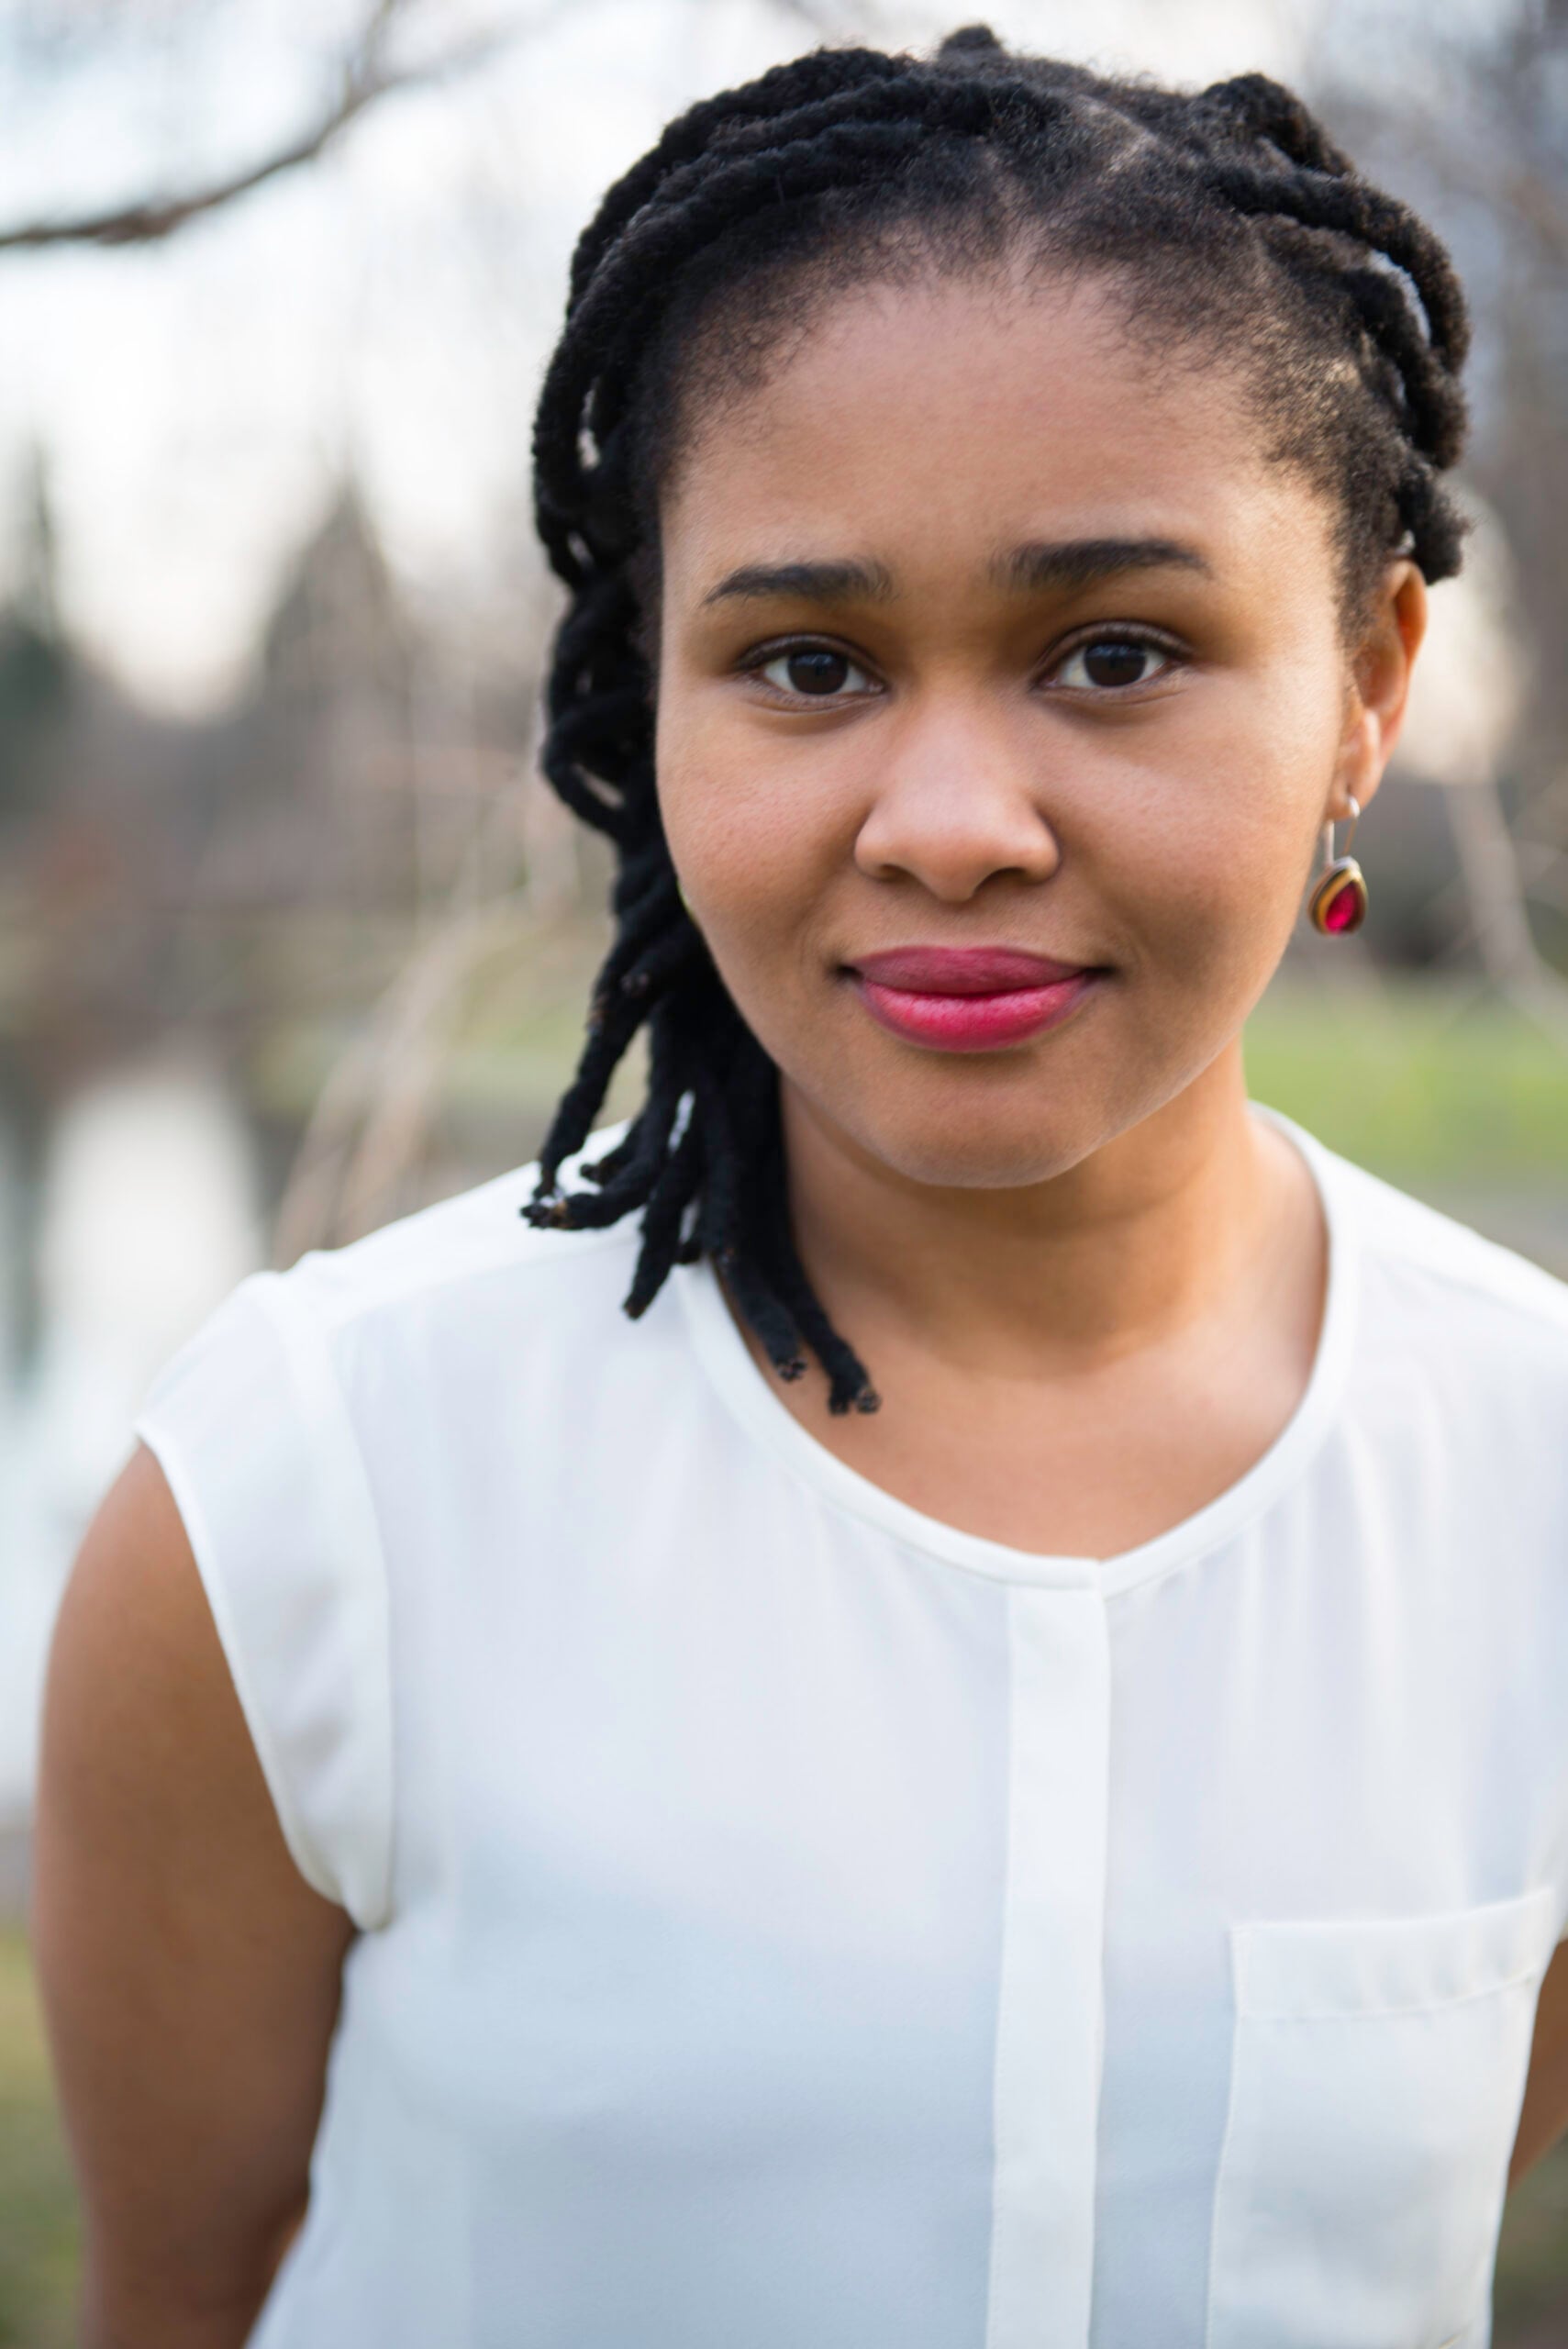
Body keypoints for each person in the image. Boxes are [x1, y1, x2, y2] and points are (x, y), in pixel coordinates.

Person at [32, 24, 1568, 2349]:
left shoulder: (1536, 1489)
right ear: (652, 696)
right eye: (810, 660)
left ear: (1368, 679)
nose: (949, 816)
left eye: (1116, 651)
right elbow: (184, 2299)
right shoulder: (301, 1501)